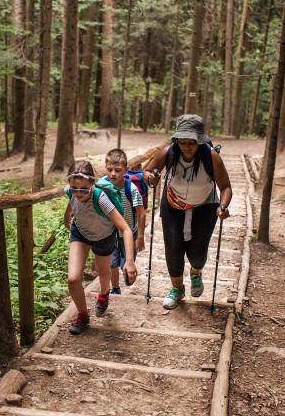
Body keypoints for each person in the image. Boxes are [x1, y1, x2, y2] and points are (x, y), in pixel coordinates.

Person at [142, 114, 232, 309]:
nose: (188, 147)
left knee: (198, 254)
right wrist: (151, 179)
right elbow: (146, 171)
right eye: (183, 142)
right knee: (173, 249)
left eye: (192, 142)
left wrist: (223, 207)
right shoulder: (167, 153)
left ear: (200, 140)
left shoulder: (211, 157)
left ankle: (196, 272)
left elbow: (225, 187)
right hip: (173, 205)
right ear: (177, 140)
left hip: (205, 206)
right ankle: (177, 289)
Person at [63, 160, 138, 334]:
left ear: (92, 184)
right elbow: (71, 202)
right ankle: (83, 314)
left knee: (102, 271)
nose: (78, 192)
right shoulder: (70, 192)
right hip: (80, 232)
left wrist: (129, 261)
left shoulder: (101, 199)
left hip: (104, 236)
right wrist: (67, 218)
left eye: (83, 189)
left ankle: (104, 295)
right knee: (73, 279)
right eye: (74, 188)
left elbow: (125, 229)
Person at [101, 149, 146, 297]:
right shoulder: (102, 186)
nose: (113, 173)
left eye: (118, 170)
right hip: (110, 233)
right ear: (105, 168)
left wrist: (140, 237)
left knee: (126, 262)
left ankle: (128, 273)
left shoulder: (131, 188)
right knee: (112, 264)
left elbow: (141, 213)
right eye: (110, 170)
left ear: (126, 170)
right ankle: (115, 288)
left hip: (130, 233)